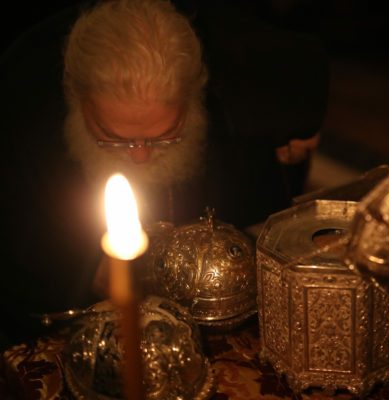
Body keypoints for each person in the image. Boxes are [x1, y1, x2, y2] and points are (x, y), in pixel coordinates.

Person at [0, 0, 328, 348]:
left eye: (164, 135)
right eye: (114, 137)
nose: (141, 155)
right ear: (76, 98)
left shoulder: (236, 90)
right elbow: (19, 265)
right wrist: (83, 274)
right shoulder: (22, 115)